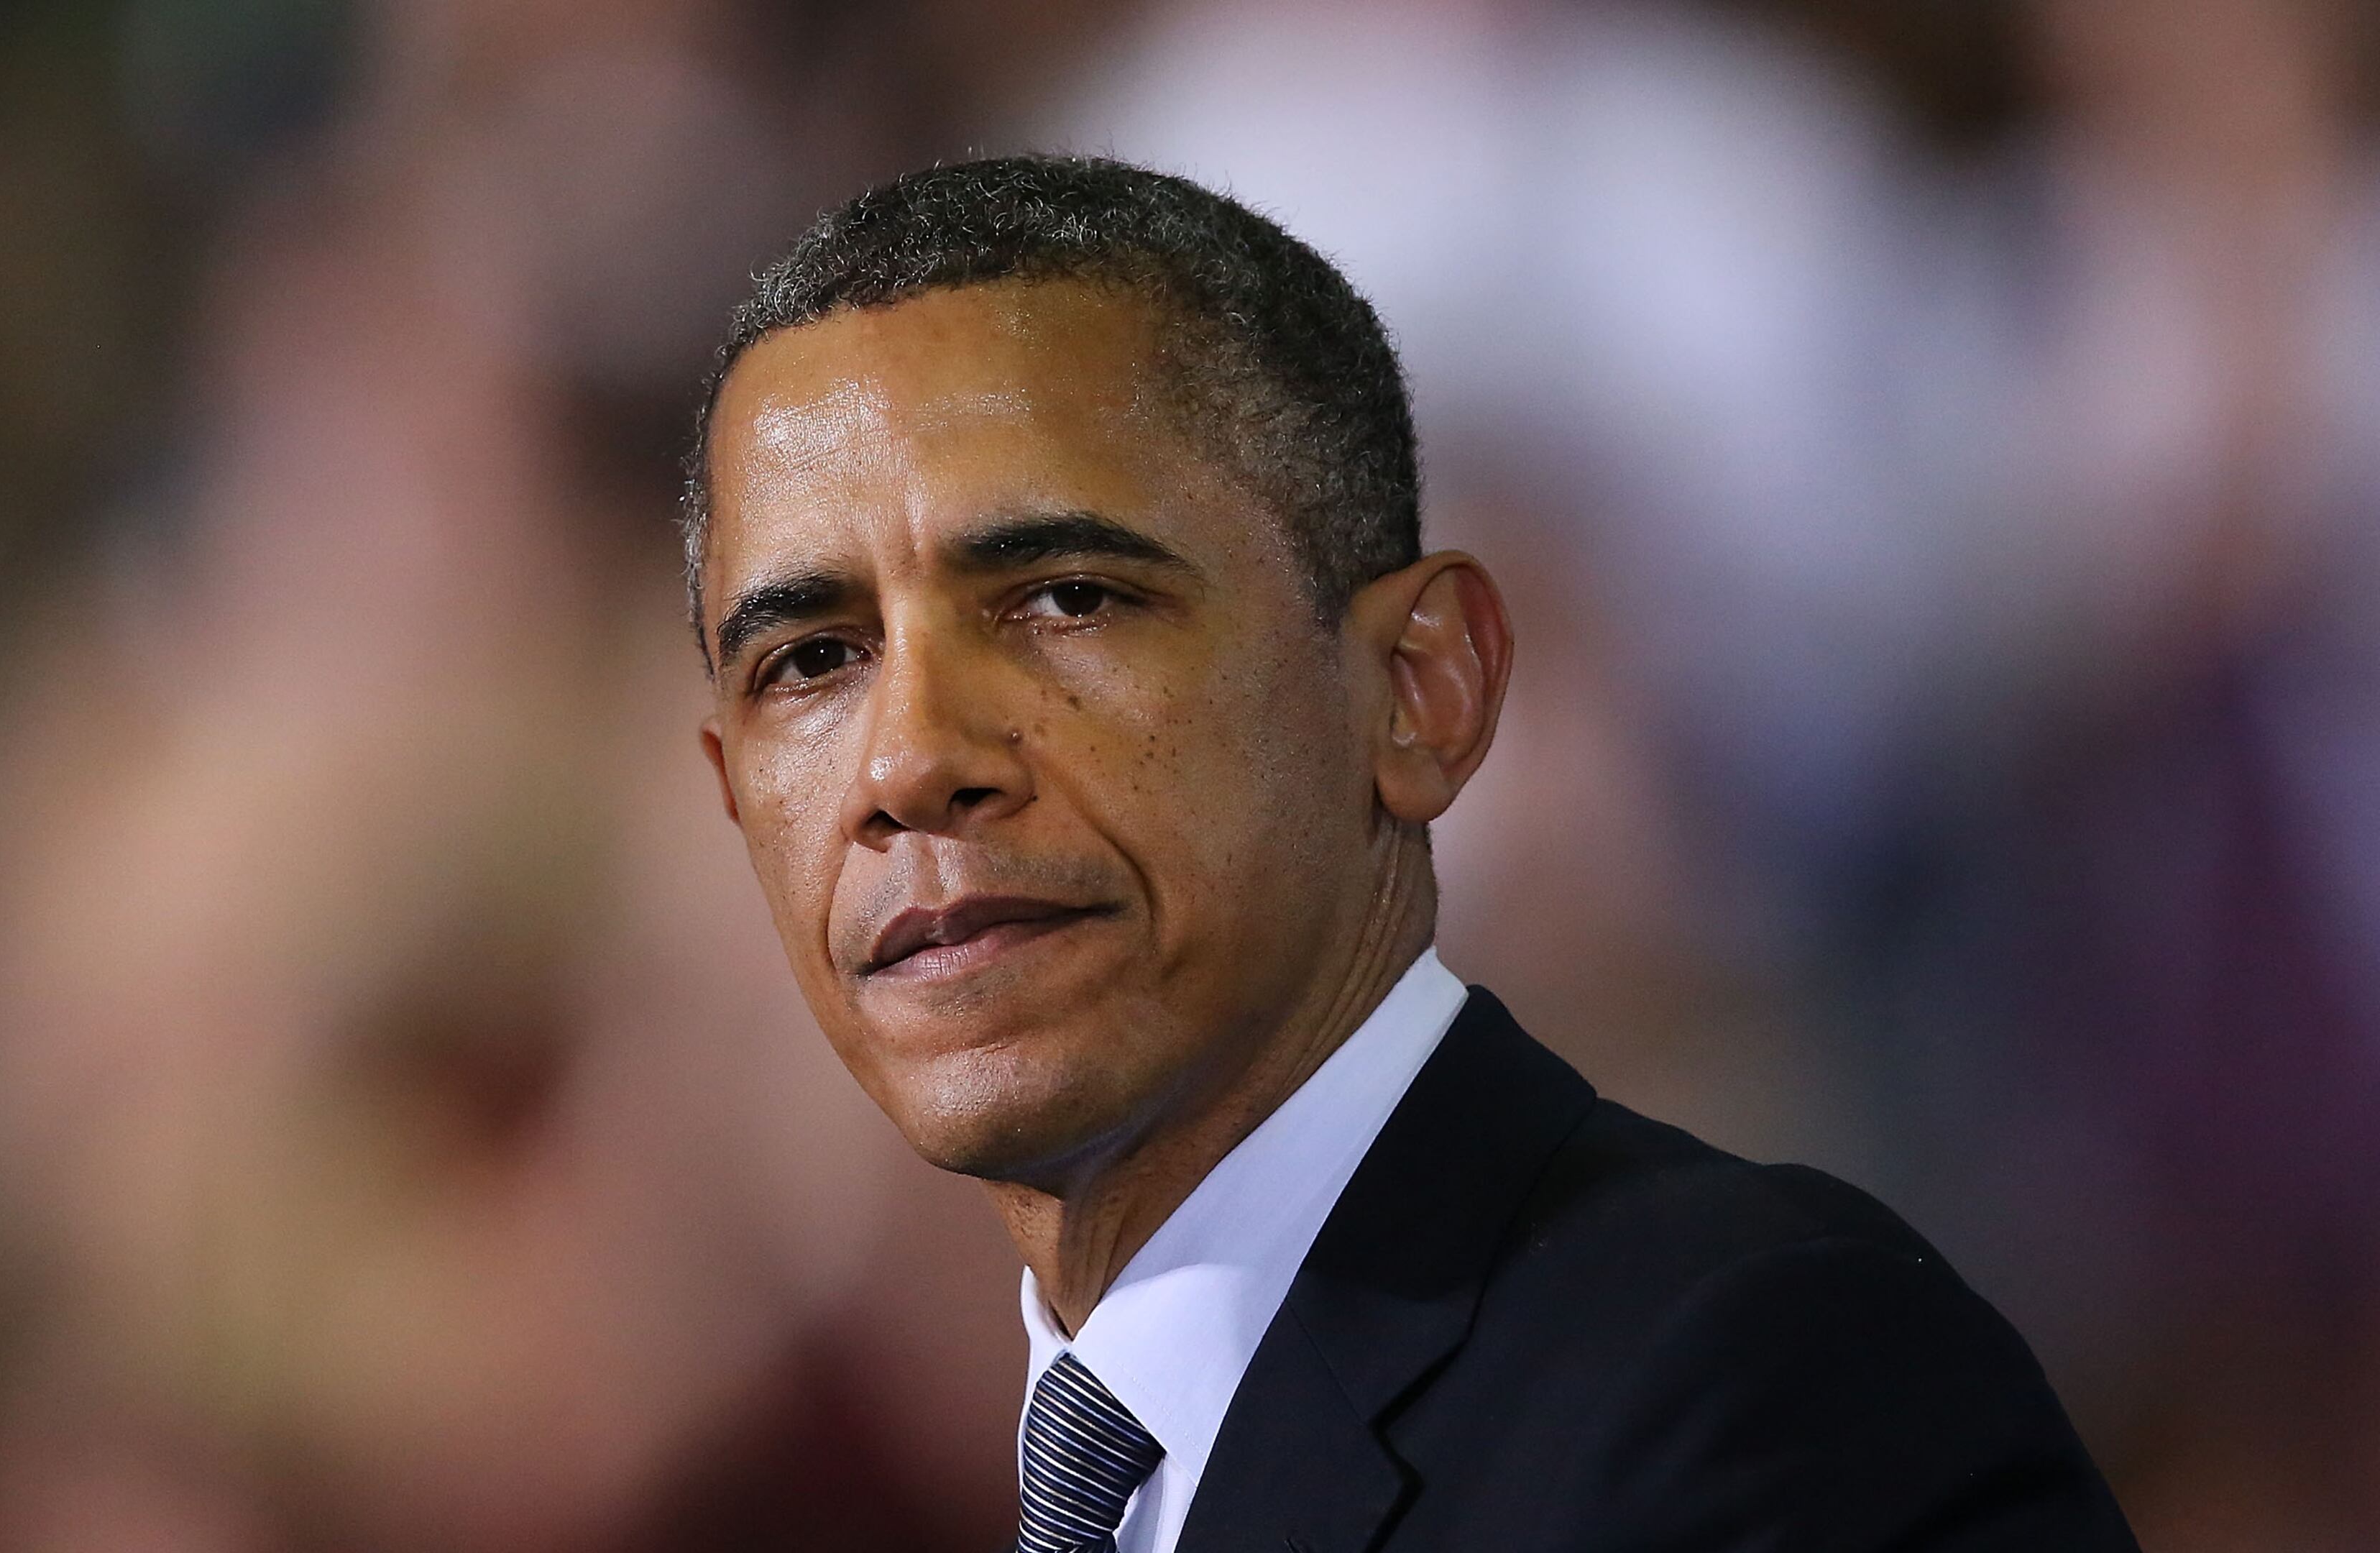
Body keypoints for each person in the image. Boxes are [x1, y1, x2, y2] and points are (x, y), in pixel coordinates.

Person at [683, 154, 2138, 1552]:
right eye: (811, 659)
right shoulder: (1091, 1470)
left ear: (1419, 687)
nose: (911, 761)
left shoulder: (1760, 1383)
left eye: (1069, 597)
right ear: (733, 797)